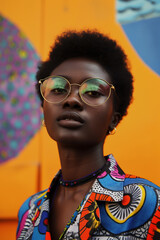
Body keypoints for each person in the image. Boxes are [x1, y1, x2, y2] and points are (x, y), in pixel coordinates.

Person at [16, 30, 160, 240]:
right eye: (58, 88)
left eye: (92, 92)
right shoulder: (29, 211)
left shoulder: (149, 202)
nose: (71, 99)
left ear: (114, 117)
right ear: (43, 108)